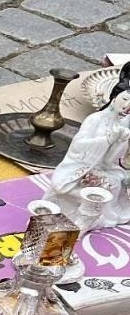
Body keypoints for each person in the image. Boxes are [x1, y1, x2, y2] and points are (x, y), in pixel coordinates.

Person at [48, 92, 130, 224]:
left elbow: (109, 161)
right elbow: (77, 145)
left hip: (102, 167)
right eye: (124, 99)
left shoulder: (122, 127)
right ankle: (85, 211)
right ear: (114, 99)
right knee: (100, 184)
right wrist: (107, 139)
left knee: (114, 182)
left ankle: (99, 216)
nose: (126, 106)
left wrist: (119, 142)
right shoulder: (95, 119)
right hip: (79, 165)